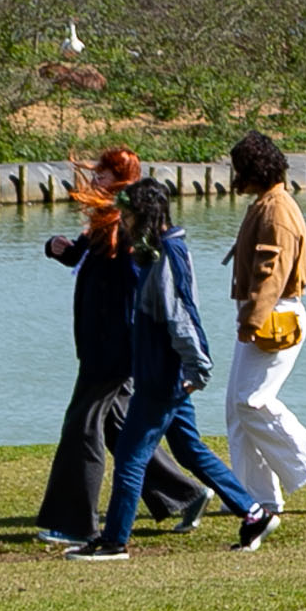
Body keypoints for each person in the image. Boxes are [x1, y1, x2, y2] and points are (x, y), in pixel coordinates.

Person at [66, 178, 272, 560]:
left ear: (146, 217)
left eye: (127, 216)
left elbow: (181, 320)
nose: (123, 223)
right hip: (161, 375)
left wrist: (197, 370)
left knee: (130, 456)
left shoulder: (165, 259)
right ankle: (254, 512)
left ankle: (114, 542)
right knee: (189, 449)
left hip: (162, 378)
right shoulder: (155, 253)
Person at [33, 148, 210, 546]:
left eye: (103, 174)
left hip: (113, 346)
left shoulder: (127, 224)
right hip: (98, 342)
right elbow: (93, 261)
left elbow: (137, 280)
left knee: (82, 426)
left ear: (122, 179)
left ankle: (75, 522)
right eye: (96, 173)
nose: (95, 180)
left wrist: (145, 342)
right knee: (117, 426)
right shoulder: (108, 219)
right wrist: (61, 249)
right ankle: (184, 495)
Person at [222, 131, 306, 519]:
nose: (234, 175)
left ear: (253, 169)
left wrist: (253, 317)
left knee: (253, 401)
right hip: (262, 314)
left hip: (275, 317)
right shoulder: (267, 203)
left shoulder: (276, 210)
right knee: (237, 408)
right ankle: (255, 497)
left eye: (239, 168)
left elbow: (270, 273)